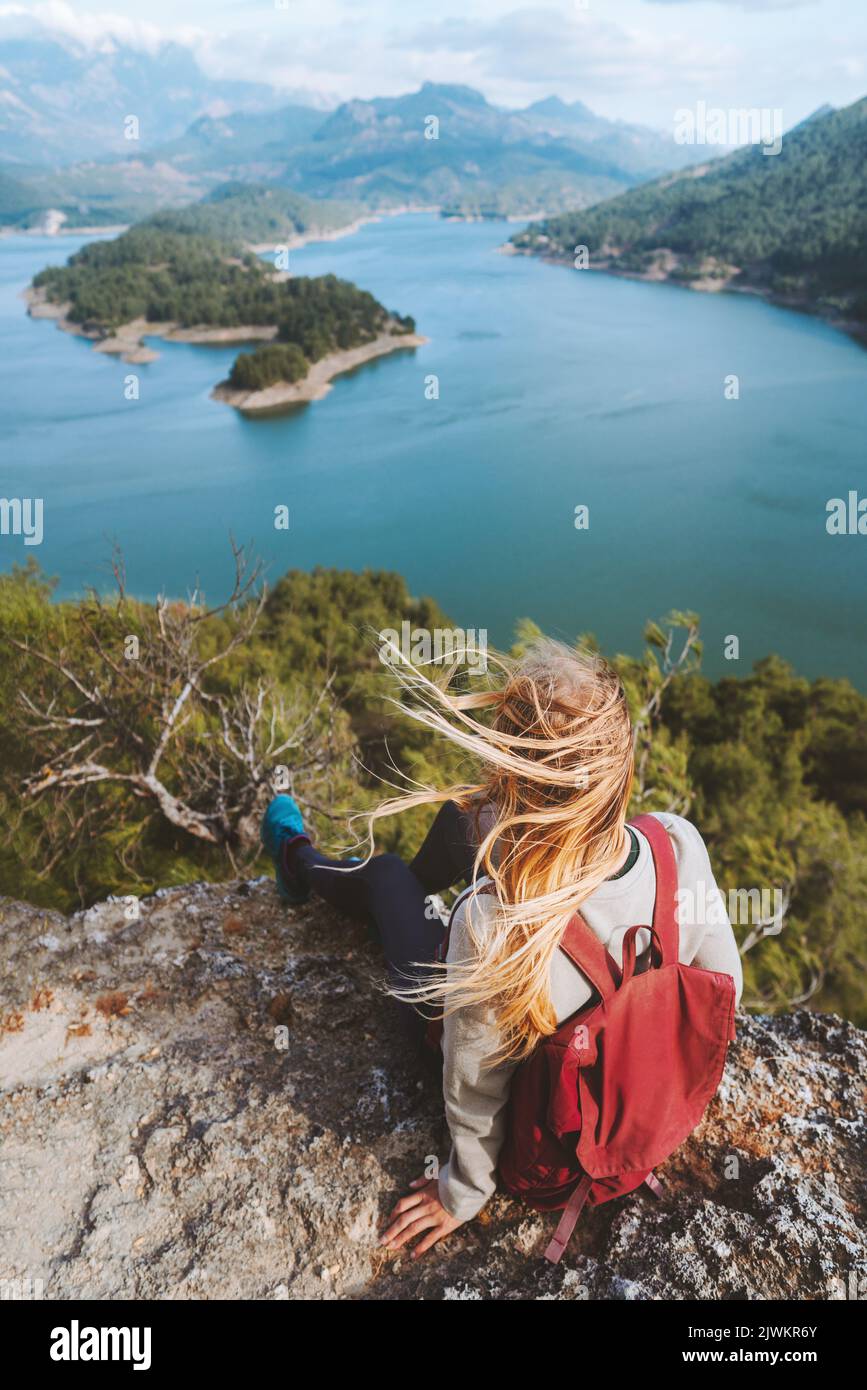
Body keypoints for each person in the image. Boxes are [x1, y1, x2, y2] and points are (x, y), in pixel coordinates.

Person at [261, 637, 743, 1260]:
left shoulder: (490, 926)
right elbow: (720, 980)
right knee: (467, 820)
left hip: (543, 1154)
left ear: (512, 774)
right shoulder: (676, 847)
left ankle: (297, 859)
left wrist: (462, 1191)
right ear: (620, 773)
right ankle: (410, 881)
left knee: (385, 880)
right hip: (630, 1086)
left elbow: (473, 1084)